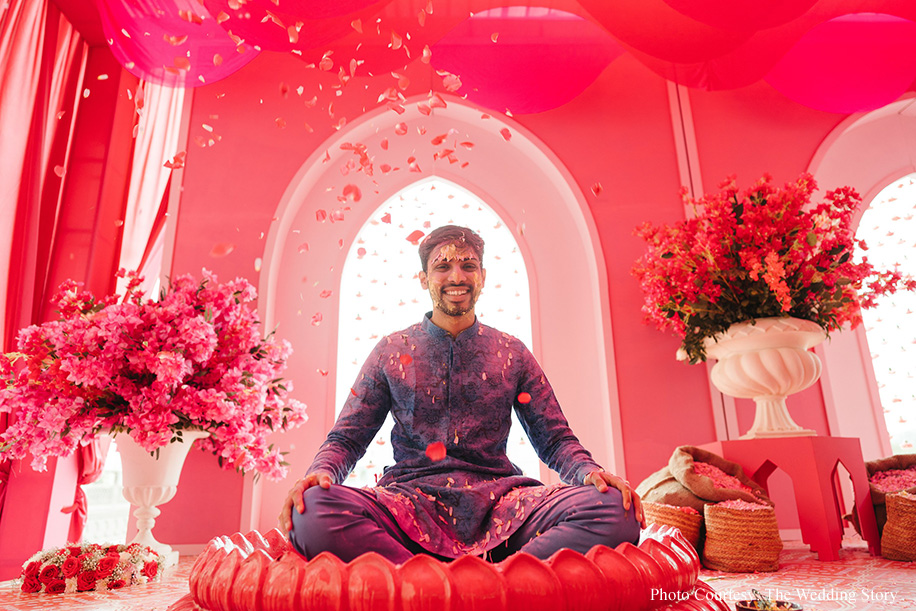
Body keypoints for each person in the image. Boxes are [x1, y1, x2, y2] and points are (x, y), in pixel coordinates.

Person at [279, 225, 643, 564]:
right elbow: (347, 438)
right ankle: (478, 583)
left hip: (502, 508)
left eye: (468, 266)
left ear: (482, 277)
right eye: (443, 267)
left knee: (615, 509)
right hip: (407, 505)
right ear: (424, 279)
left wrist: (590, 472)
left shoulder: (511, 352)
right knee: (310, 511)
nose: (457, 277)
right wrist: (318, 474)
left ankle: (458, 583)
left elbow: (555, 439)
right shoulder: (391, 351)